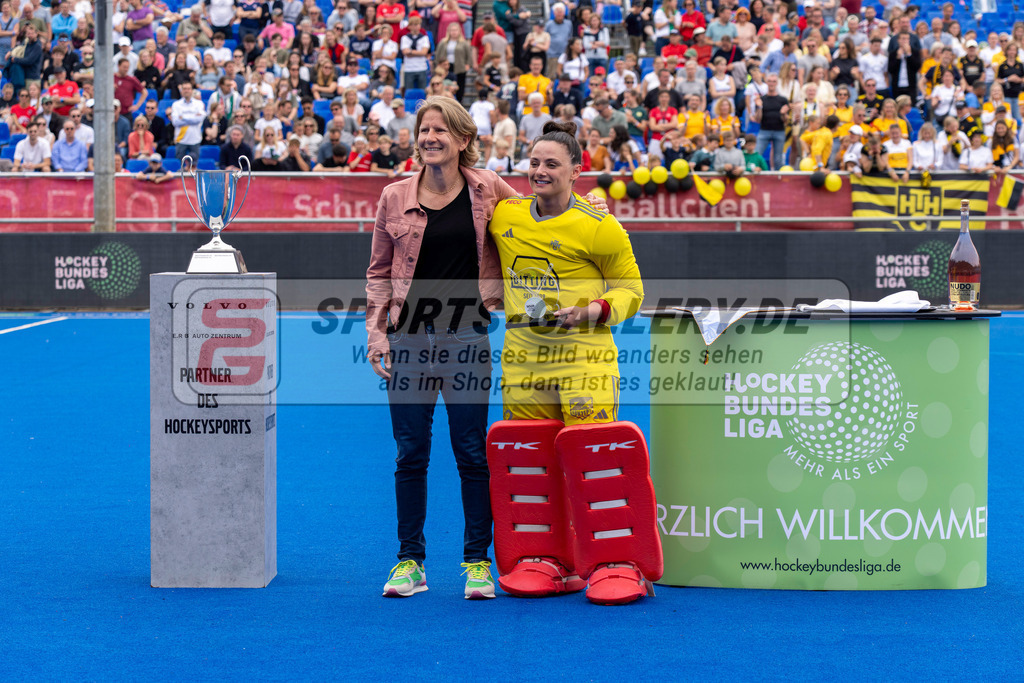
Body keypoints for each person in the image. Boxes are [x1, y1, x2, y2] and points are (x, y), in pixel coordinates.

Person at [486, 119, 660, 605]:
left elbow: (632, 290)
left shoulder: (599, 225)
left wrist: (592, 312)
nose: (539, 171)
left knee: (592, 461)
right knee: (531, 462)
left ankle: (614, 563)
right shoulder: (505, 216)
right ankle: (547, 561)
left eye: (552, 164)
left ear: (576, 172)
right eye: (534, 163)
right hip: (523, 360)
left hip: (584, 357)